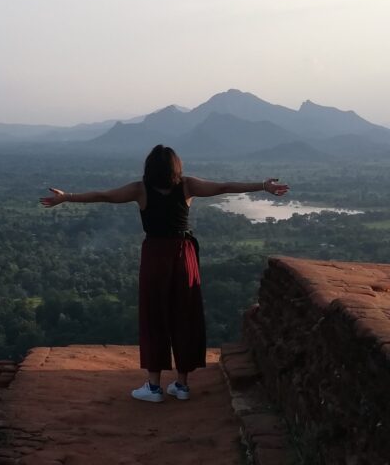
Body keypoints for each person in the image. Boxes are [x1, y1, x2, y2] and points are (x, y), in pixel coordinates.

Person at [40, 144, 289, 403]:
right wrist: (262, 185)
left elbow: (103, 195)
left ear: (149, 167)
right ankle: (181, 385)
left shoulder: (140, 189)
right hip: (184, 254)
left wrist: (67, 196)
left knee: (154, 314)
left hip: (155, 254)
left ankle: (154, 386)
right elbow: (224, 187)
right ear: (176, 167)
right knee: (185, 313)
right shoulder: (187, 186)